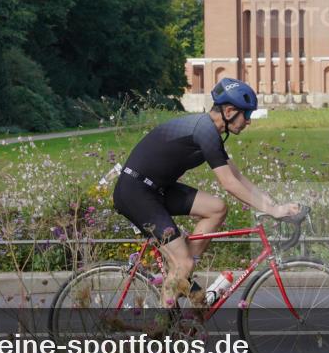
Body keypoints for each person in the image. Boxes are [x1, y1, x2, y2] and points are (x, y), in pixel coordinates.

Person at [112, 78, 299, 306]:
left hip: (155, 189)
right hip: (136, 191)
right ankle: (161, 329)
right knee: (184, 263)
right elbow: (229, 183)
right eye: (246, 115)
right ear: (229, 111)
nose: (248, 122)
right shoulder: (205, 131)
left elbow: (237, 176)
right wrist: (272, 210)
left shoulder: (208, 129)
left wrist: (271, 202)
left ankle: (181, 274)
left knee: (216, 209)